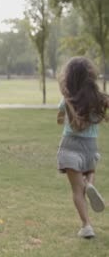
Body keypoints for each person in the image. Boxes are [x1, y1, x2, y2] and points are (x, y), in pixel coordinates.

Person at [56, 56, 109, 239]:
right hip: (90, 147)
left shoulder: (67, 99)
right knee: (89, 169)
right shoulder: (100, 99)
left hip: (70, 145)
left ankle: (86, 225)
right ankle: (90, 184)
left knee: (76, 190)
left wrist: (63, 117)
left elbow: (59, 120)